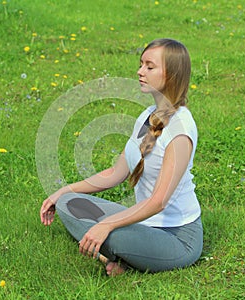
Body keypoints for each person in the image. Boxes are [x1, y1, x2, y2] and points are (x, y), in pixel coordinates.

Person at [40, 38, 203, 276]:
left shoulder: (180, 130)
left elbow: (158, 201)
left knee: (111, 234)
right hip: (144, 224)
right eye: (141, 64)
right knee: (69, 203)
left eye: (149, 66)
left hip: (176, 238)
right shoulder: (147, 115)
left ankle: (117, 254)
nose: (140, 72)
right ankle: (117, 255)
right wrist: (63, 191)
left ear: (171, 74)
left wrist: (107, 224)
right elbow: (116, 173)